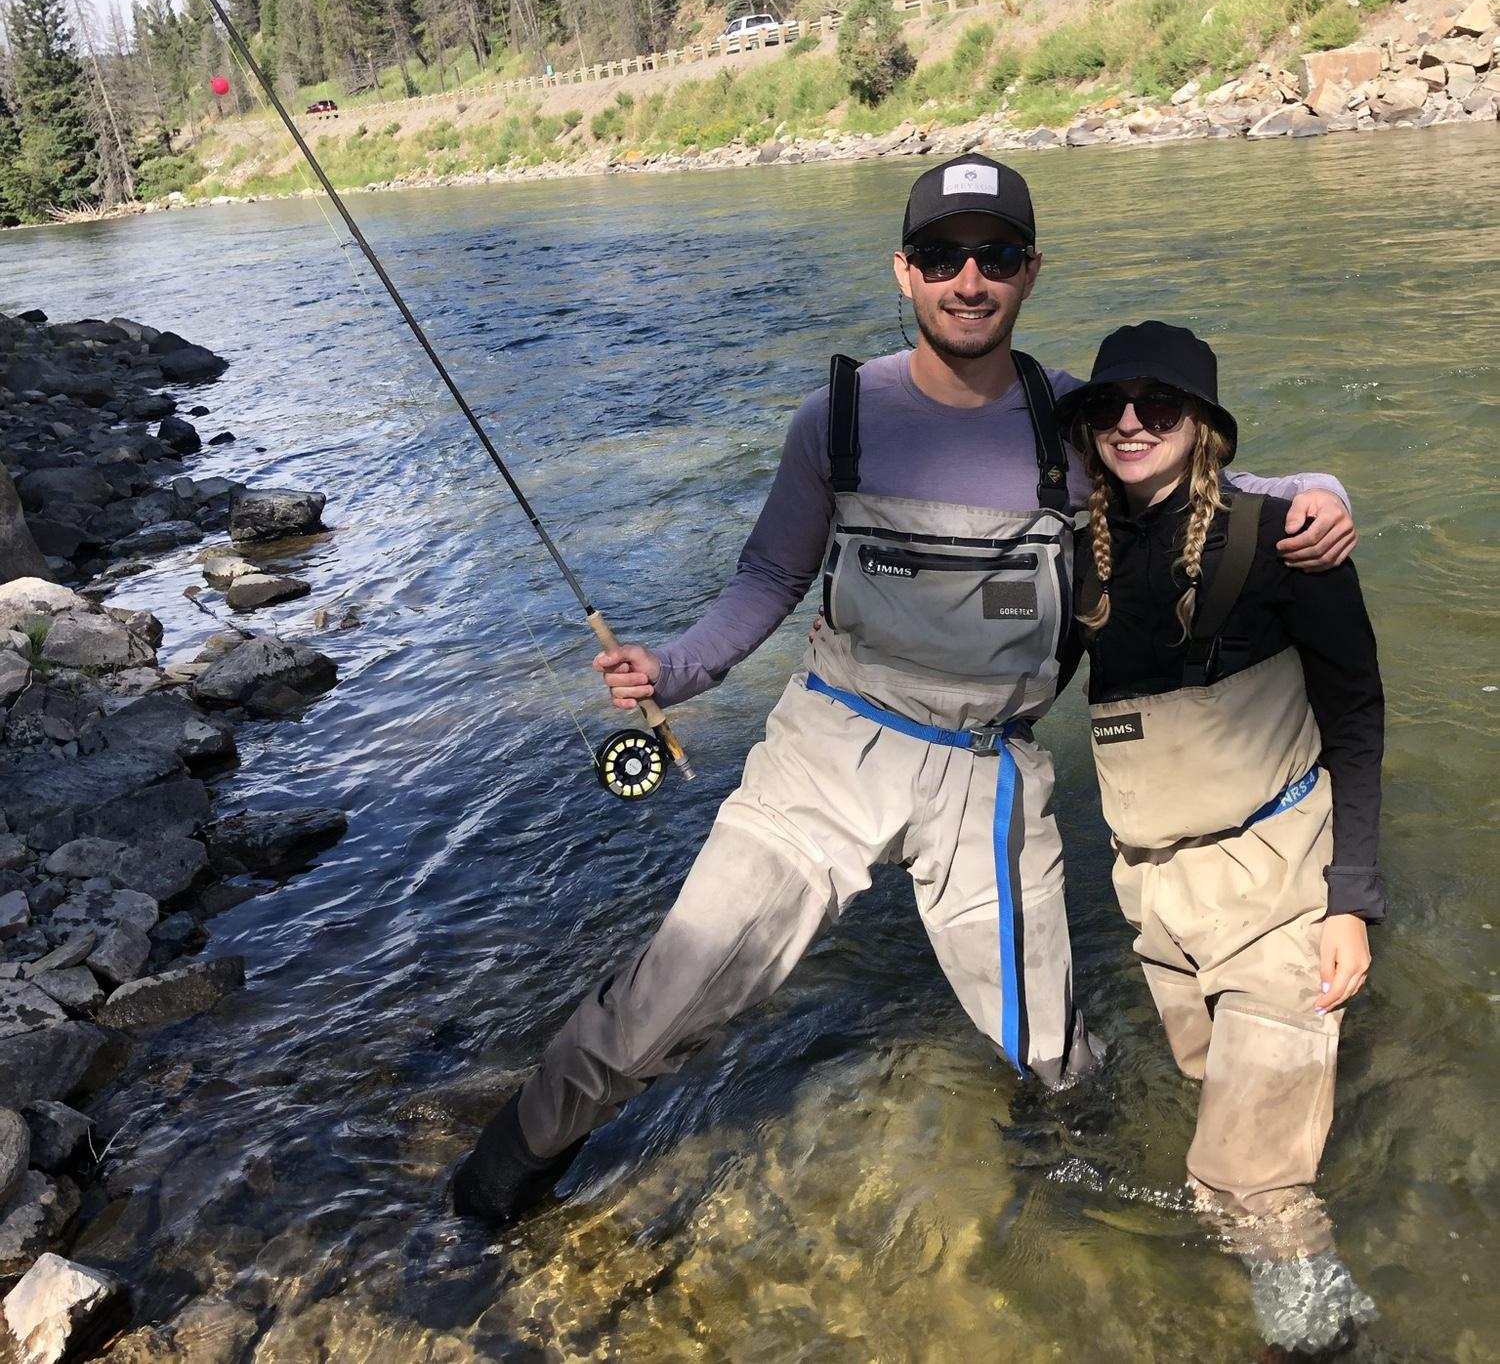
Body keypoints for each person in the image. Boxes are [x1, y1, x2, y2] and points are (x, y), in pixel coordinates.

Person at [452, 156, 1358, 1227]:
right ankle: (494, 1182)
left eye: (996, 256)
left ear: (1030, 274)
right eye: (941, 256)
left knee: (1052, 1046)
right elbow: (771, 578)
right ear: (904, 271)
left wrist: (1320, 492)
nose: (967, 279)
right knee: (670, 994)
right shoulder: (831, 420)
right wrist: (678, 670)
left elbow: (1198, 484)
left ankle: (1084, 1209)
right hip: (826, 751)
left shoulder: (1073, 421)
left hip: (990, 772)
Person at [1056, 320, 1383, 1356]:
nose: (1133, 422)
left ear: (1206, 427)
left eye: (1162, 406)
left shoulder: (1287, 537)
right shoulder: (1078, 561)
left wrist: (1351, 901)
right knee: (1219, 1126)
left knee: (1248, 1180)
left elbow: (1359, 717)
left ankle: (1335, 1344)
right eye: (1111, 407)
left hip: (1282, 880)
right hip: (1153, 896)